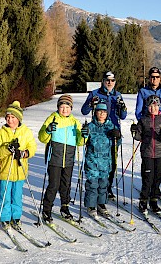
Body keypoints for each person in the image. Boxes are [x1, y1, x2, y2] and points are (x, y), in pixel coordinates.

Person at [81, 71, 127, 199]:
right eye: (107, 80)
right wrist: (91, 104)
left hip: (112, 132)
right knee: (94, 162)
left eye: (112, 80)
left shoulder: (117, 95)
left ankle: (108, 188)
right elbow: (84, 111)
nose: (109, 83)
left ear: (115, 82)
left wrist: (122, 107)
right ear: (103, 81)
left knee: (111, 162)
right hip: (97, 132)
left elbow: (123, 116)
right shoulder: (95, 93)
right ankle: (93, 189)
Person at [0, 101, 37, 230]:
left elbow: (32, 146)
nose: (10, 120)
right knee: (5, 196)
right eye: (8, 117)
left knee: (17, 196)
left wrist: (25, 153)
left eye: (13, 117)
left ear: (18, 118)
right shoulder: (1, 132)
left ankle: (16, 217)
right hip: (6, 170)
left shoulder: (25, 131)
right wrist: (8, 148)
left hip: (19, 171)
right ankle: (5, 218)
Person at [39, 94, 82, 222]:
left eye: (67, 107)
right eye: (62, 107)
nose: (64, 110)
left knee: (66, 185)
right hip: (54, 158)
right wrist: (47, 130)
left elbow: (80, 142)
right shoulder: (52, 118)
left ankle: (65, 207)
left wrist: (84, 135)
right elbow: (42, 138)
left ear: (71, 108)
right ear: (58, 107)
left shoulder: (75, 122)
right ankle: (47, 210)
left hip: (69, 158)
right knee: (53, 185)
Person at [131, 95, 161, 214]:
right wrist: (134, 131)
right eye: (150, 106)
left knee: (157, 178)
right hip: (147, 153)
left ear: (158, 106)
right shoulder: (144, 120)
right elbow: (138, 136)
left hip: (160, 154)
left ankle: (154, 200)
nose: (152, 108)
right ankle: (143, 200)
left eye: (155, 105)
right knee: (148, 178)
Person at [81, 101, 121, 218]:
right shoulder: (90, 126)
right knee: (92, 184)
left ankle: (101, 204)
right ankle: (91, 205)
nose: (102, 114)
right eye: (99, 111)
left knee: (104, 184)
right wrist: (83, 134)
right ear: (95, 112)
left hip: (105, 161)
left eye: (104, 112)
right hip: (92, 160)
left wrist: (117, 136)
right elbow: (82, 141)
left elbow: (117, 143)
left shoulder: (111, 126)